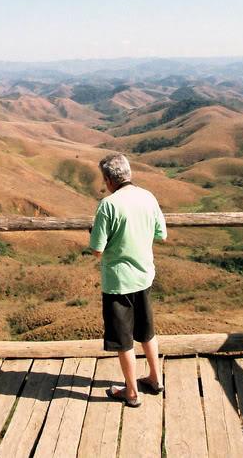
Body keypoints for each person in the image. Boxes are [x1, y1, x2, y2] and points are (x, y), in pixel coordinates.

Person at [90, 153, 167, 407]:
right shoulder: (148, 197)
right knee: (147, 332)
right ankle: (155, 379)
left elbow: (97, 249)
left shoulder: (108, 205)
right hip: (144, 275)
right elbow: (160, 233)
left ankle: (131, 392)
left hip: (118, 282)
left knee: (124, 340)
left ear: (110, 179)